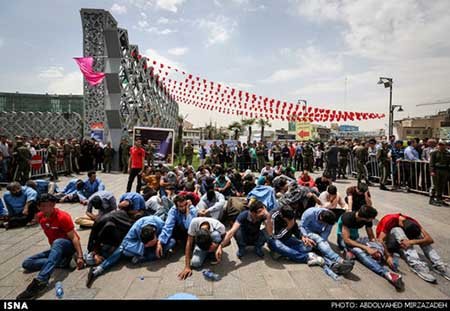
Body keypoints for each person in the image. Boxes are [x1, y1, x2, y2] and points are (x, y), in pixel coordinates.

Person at [17, 194, 84, 299]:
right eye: (42, 206)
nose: (44, 208)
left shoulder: (63, 217)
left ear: (53, 205)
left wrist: (80, 256)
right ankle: (62, 262)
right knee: (27, 263)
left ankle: (41, 280)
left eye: (47, 205)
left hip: (68, 246)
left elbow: (74, 238)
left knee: (58, 242)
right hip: (56, 249)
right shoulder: (40, 217)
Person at [86, 215, 173, 288]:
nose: (147, 245)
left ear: (154, 235)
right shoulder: (137, 227)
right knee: (121, 249)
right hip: (139, 247)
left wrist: (160, 241)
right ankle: (98, 269)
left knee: (172, 242)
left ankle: (143, 258)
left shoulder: (158, 222)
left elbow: (168, 231)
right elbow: (125, 242)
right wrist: (142, 249)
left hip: (156, 244)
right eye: (146, 244)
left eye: (149, 243)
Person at [337, 206, 404, 290]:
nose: (373, 219)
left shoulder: (366, 220)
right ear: (365, 218)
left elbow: (371, 236)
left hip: (357, 239)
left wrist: (386, 254)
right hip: (344, 240)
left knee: (378, 243)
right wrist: (367, 248)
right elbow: (347, 240)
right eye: (372, 218)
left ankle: (381, 257)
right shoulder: (347, 218)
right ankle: (386, 273)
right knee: (359, 251)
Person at [377, 213, 450, 283]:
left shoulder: (413, 222)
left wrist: (412, 241)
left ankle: (439, 264)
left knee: (421, 237)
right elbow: (380, 240)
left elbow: (430, 240)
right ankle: (416, 264)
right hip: (390, 243)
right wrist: (388, 256)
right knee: (397, 230)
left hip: (404, 241)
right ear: (401, 224)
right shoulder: (389, 219)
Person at [300, 207, 354, 275]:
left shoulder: (330, 217)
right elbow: (302, 226)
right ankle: (340, 260)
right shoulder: (309, 213)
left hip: (319, 234)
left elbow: (326, 231)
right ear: (321, 218)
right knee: (319, 240)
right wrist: (305, 236)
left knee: (322, 247)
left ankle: (333, 265)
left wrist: (323, 241)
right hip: (307, 233)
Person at [429, 140, 450, 206]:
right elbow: (431, 163)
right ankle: (432, 199)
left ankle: (439, 199)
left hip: (445, 171)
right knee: (435, 185)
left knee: (442, 185)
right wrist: (432, 171)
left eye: (442, 145)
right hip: (436, 170)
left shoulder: (448, 153)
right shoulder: (434, 152)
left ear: (445, 146)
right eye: (440, 145)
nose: (441, 146)